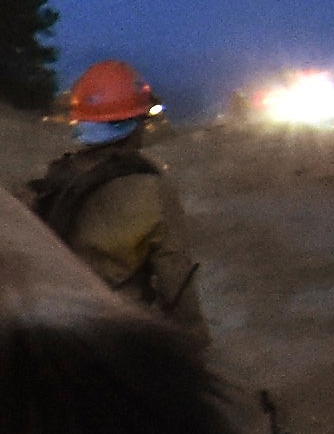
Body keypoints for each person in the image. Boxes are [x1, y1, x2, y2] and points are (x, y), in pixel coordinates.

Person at [24, 59, 204, 333]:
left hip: (48, 325)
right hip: (116, 333)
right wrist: (195, 340)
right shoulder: (152, 187)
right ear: (135, 124)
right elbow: (176, 280)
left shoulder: (54, 176)